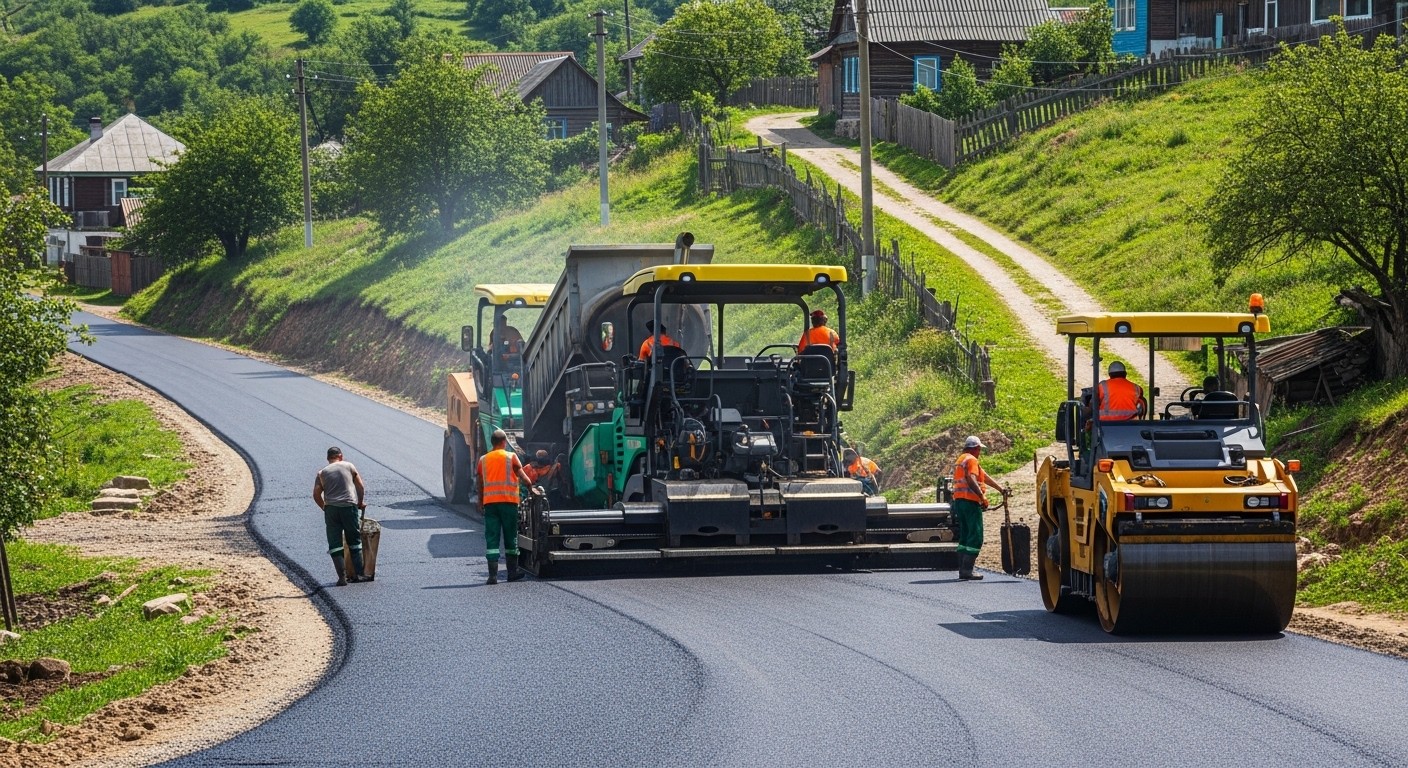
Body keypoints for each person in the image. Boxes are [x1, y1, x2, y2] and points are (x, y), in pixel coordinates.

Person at [477, 429, 539, 585]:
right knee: (510, 536)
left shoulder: (483, 460)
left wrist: (480, 501)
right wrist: (531, 487)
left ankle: (492, 576)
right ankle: (512, 572)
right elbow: (522, 475)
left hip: (490, 504)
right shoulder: (510, 457)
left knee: (492, 537)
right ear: (504, 442)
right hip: (508, 503)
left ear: (492, 442)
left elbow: (480, 483)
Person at [951, 435, 1010, 581]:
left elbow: (983, 476)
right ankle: (967, 570)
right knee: (976, 536)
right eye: (979, 450)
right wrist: (982, 497)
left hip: (959, 502)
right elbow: (971, 478)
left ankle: (963, 569)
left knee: (965, 535)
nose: (980, 452)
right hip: (970, 502)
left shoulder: (962, 459)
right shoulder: (971, 460)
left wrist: (1000, 488)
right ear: (975, 448)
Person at [313, 446, 369, 586]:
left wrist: (325, 508)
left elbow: (316, 494)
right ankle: (359, 575)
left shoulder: (322, 473)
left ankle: (342, 578)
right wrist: (360, 503)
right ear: (341, 456)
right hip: (348, 508)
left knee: (335, 543)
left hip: (331, 510)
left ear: (328, 459)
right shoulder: (349, 466)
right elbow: (360, 486)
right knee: (354, 540)